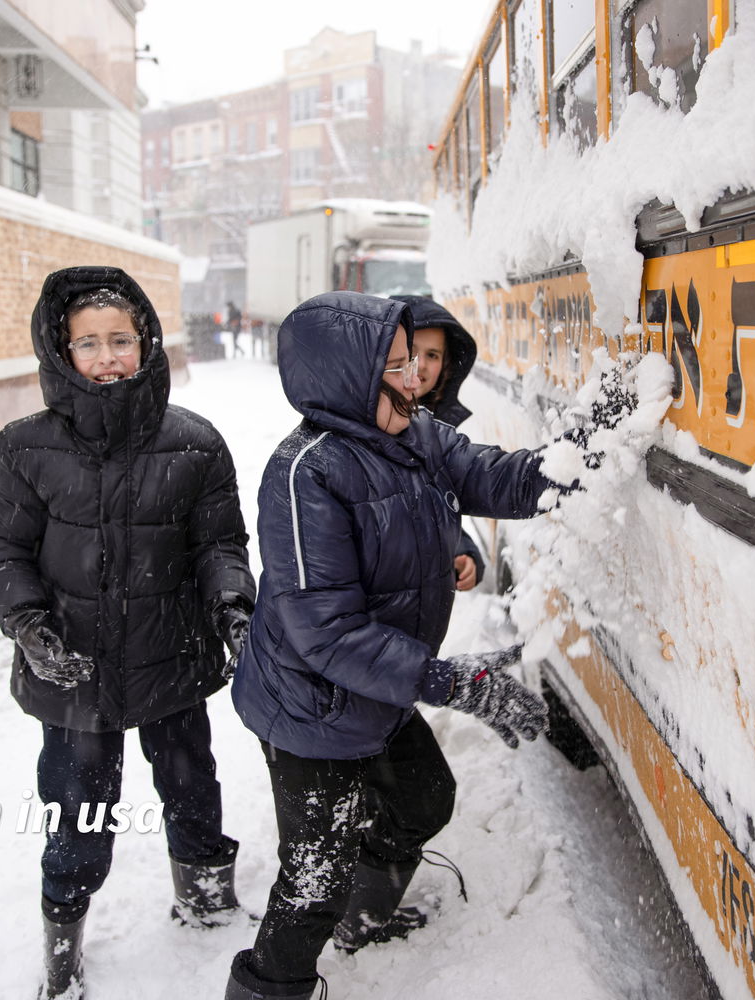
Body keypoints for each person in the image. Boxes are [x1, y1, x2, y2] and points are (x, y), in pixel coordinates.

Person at [223, 292, 558, 1000]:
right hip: (309, 705)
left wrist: (587, 453)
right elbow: (328, 631)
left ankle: (363, 919)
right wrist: (458, 685)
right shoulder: (303, 473)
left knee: (424, 798)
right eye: (397, 365)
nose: (417, 379)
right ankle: (271, 985)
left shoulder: (418, 438)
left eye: (417, 363)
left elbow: (501, 478)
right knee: (316, 873)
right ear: (347, 378)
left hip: (377, 683)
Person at [0, 266, 256, 1000]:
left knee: (191, 782)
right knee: (79, 806)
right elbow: (4, 549)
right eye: (88, 343)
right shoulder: (24, 447)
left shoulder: (195, 444)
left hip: (172, 654)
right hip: (72, 667)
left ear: (147, 343)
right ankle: (63, 948)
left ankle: (205, 896)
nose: (107, 357)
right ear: (60, 352)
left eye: (121, 340)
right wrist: (28, 625)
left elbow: (219, 545)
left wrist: (232, 605)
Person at [391, 294, 485, 592]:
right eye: (410, 351)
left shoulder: (432, 430)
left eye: (433, 355)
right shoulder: (371, 426)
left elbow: (433, 508)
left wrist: (460, 549)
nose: (420, 365)